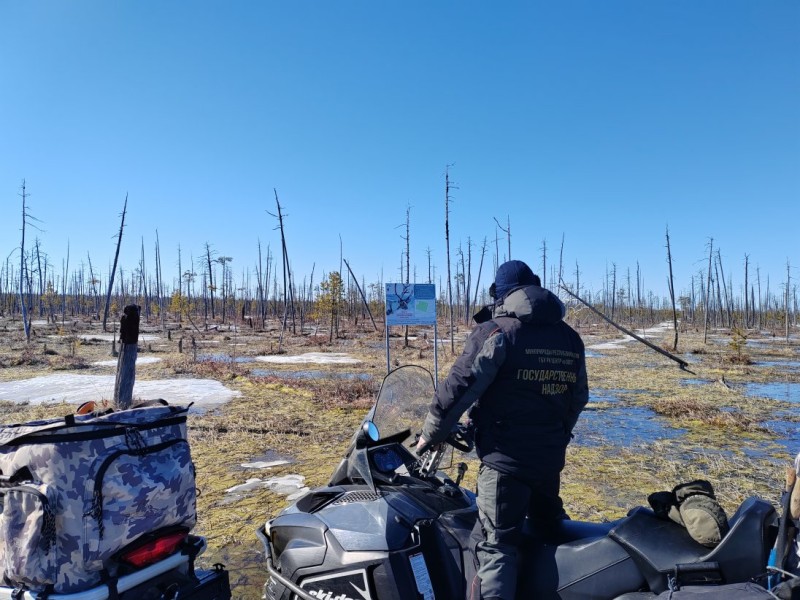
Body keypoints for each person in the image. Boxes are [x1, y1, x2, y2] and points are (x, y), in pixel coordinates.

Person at [416, 259, 589, 600]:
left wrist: (430, 435)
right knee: (547, 528)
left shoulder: (496, 332)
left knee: (496, 547)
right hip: (548, 459)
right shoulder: (569, 338)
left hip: (504, 462)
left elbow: (459, 389)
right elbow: (578, 398)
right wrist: (557, 436)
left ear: (501, 294)